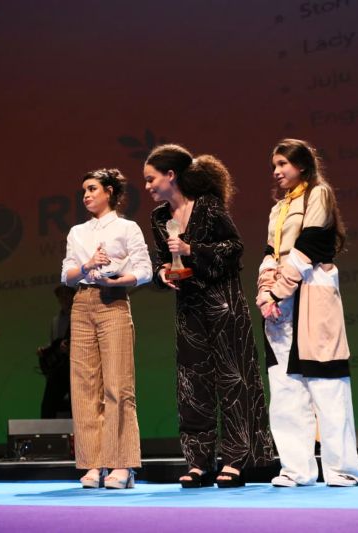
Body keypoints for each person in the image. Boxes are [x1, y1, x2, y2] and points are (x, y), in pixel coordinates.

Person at [144, 144, 273, 488]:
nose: (148, 186)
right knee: (192, 384)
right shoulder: (159, 217)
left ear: (171, 175)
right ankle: (199, 461)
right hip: (189, 308)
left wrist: (191, 249)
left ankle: (235, 460)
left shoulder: (208, 206)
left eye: (151, 179)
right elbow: (159, 259)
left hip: (223, 303)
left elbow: (234, 248)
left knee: (233, 380)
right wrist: (162, 274)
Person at [256, 138, 358, 488]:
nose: (276, 171)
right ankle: (296, 469)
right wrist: (264, 291)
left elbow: (309, 246)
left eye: (283, 164)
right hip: (280, 302)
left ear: (301, 165)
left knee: (327, 384)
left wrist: (277, 290)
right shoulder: (278, 208)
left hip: (311, 291)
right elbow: (270, 254)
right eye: (274, 166)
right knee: (285, 388)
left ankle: (343, 469)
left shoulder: (319, 194)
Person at [60, 168, 152, 489]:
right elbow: (67, 275)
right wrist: (87, 266)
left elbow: (144, 270)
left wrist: (118, 279)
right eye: (84, 190)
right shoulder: (77, 232)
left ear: (109, 191)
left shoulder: (127, 227)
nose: (86, 195)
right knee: (84, 386)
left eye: (92, 189)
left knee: (118, 385)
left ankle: (122, 465)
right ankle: (92, 463)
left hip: (113, 301)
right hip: (82, 303)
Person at [36, 285, 76, 419]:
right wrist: (45, 350)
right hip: (59, 369)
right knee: (48, 406)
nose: (63, 297)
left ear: (73, 296)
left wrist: (72, 347)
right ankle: (46, 432)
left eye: (66, 294)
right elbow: (54, 343)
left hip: (76, 368)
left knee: (77, 405)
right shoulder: (55, 320)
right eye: (60, 295)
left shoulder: (81, 316)